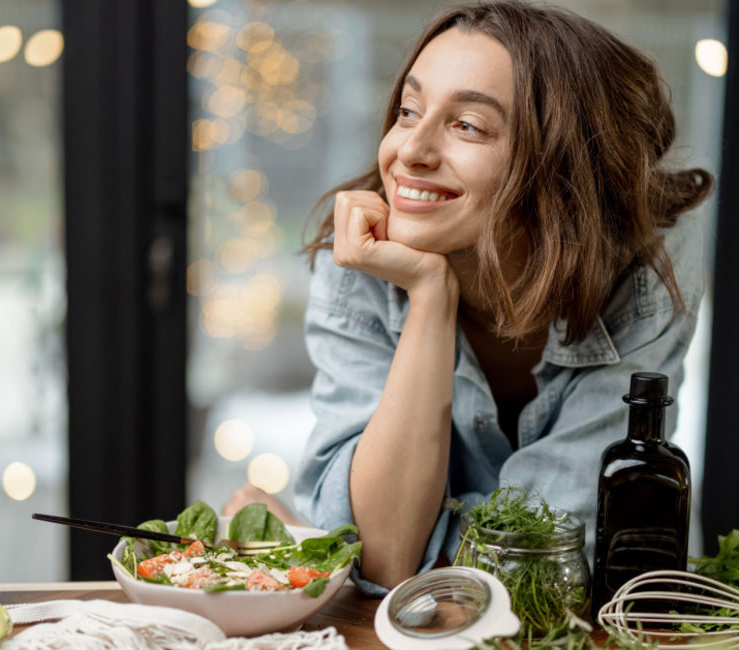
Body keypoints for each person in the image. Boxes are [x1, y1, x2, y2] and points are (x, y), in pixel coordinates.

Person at [223, 0, 713, 594]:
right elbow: (384, 555)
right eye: (408, 110)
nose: (411, 150)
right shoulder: (359, 253)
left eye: (468, 126)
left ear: (561, 167)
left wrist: (334, 538)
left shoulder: (645, 271)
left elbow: (554, 566)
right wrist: (429, 295)